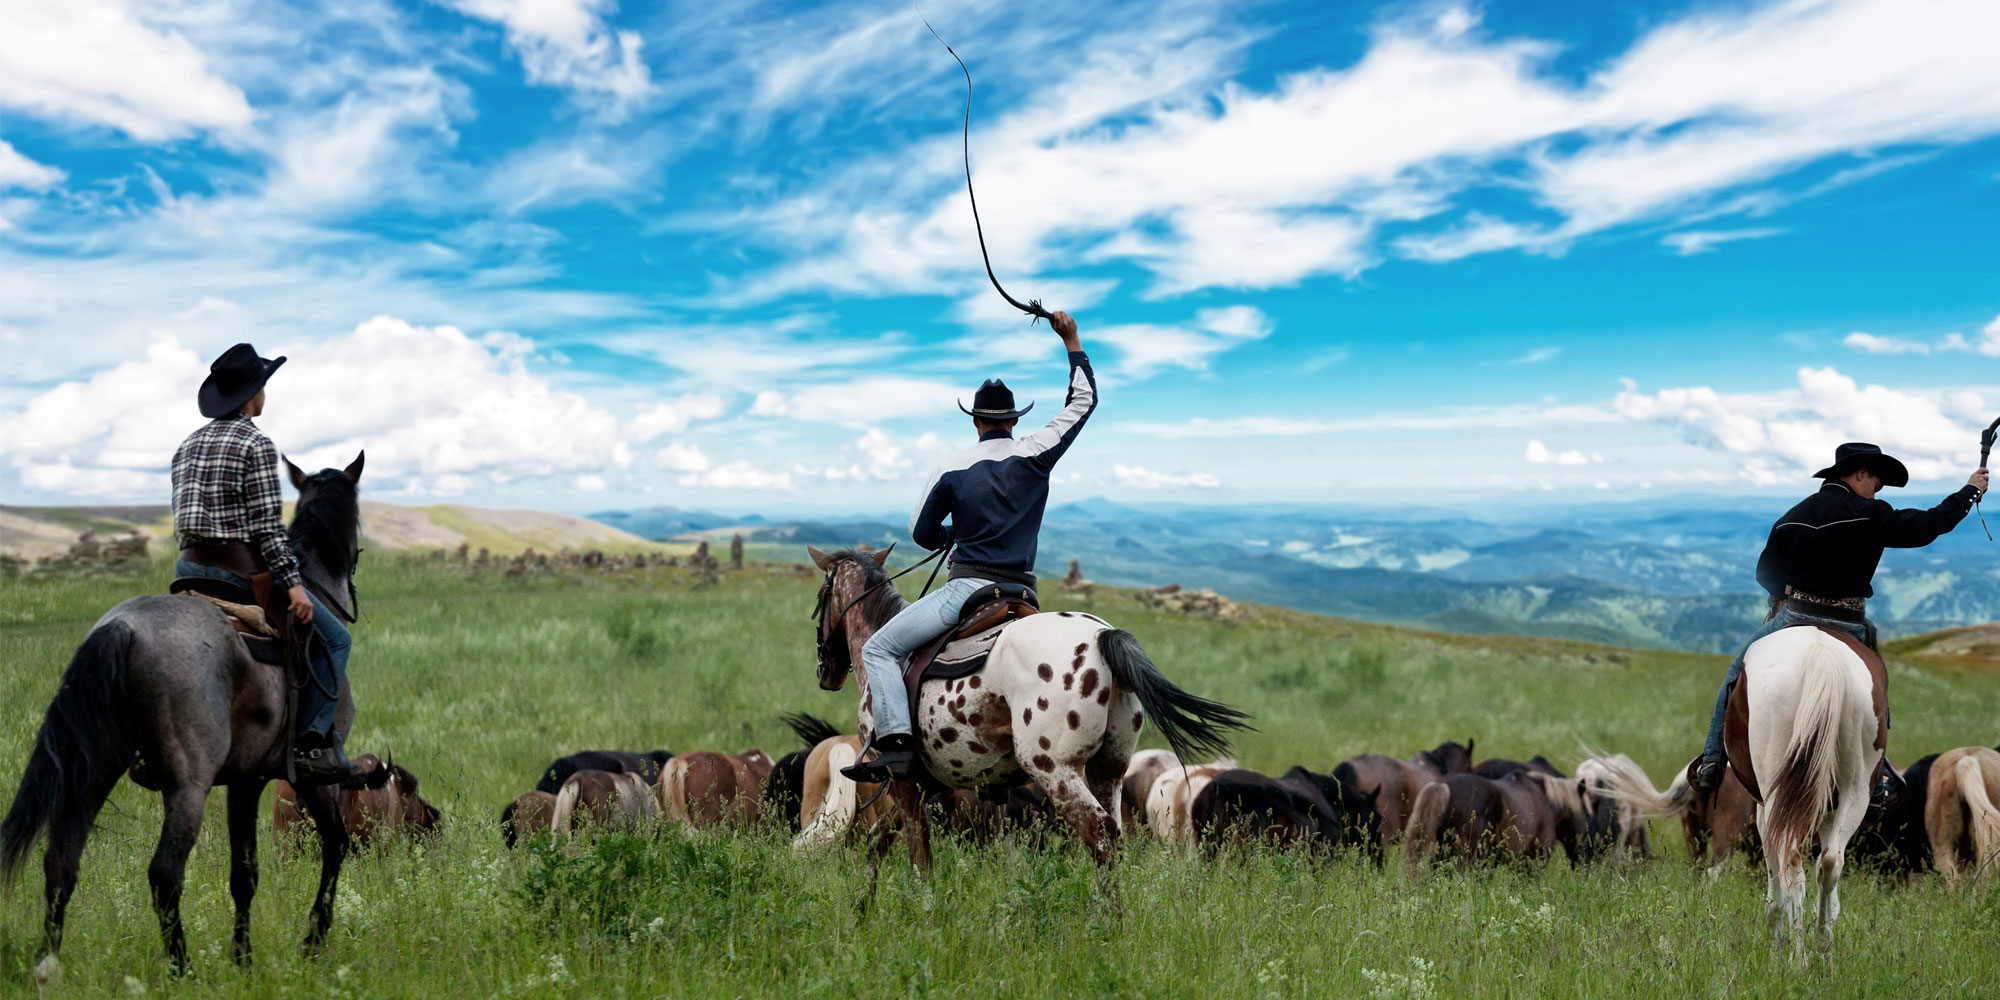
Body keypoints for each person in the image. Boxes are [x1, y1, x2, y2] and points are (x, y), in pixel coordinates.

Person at [841, 312, 1095, 783]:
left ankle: (896, 747)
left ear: (976, 421)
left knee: (878, 649)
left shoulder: (952, 467)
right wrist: (1071, 340)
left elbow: (920, 530)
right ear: (1015, 420)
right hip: (1024, 594)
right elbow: (1083, 402)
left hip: (969, 590)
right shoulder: (1037, 451)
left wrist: (951, 536)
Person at [1690, 442, 1987, 799]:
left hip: (1793, 617)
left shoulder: (1793, 515)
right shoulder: (1871, 513)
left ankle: (1711, 762)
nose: (1876, 492)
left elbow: (1764, 570)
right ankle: (1875, 779)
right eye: (1876, 484)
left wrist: (1783, 594)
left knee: (1735, 675)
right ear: (1860, 473)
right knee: (1877, 687)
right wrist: (1970, 491)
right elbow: (1928, 525)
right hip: (1850, 624)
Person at [171, 343, 361, 784]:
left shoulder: (187, 446)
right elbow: (268, 530)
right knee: (334, 642)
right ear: (253, 394)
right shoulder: (256, 443)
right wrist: (294, 587)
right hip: (237, 573)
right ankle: (311, 744)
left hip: (187, 573)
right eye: (263, 386)